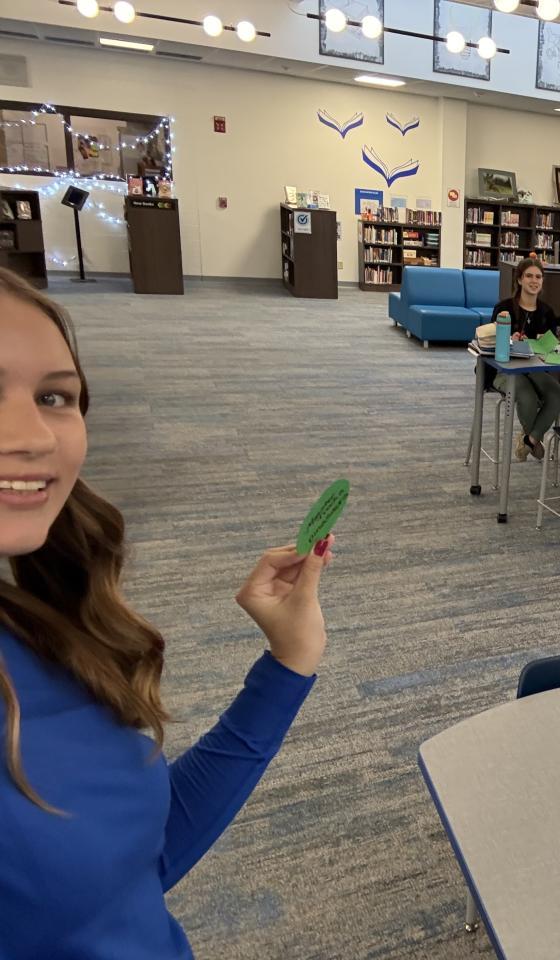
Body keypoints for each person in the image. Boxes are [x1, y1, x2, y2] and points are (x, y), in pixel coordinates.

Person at [0, 268, 335, 957]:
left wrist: (288, 666)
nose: (33, 435)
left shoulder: (36, 631)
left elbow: (124, 869)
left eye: (54, 396)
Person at [489, 258, 560, 462]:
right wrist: (507, 340)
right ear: (520, 280)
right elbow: (490, 341)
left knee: (557, 394)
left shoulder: (547, 312)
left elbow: (550, 346)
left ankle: (530, 439)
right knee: (527, 397)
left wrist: (546, 344)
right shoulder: (503, 308)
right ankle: (535, 439)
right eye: (529, 276)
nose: (534, 280)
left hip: (536, 368)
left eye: (538, 277)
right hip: (506, 369)